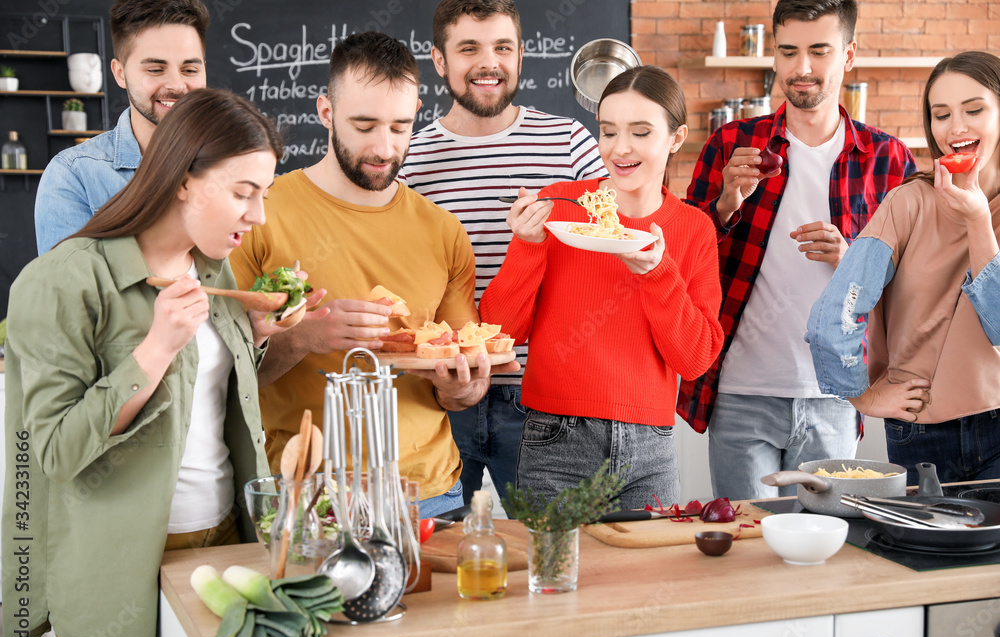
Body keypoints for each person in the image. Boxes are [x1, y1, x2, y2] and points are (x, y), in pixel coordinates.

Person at [2, 88, 306, 637]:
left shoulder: (215, 268)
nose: (259, 215)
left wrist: (257, 337)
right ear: (181, 179)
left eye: (263, 194)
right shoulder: (60, 282)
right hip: (114, 569)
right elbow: (56, 453)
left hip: (224, 543)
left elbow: (210, 403)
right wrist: (155, 350)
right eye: (244, 193)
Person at [230, 31, 517, 519]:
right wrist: (303, 337)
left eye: (400, 127)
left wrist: (463, 387)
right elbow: (226, 381)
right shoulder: (258, 214)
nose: (384, 148)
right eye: (363, 126)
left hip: (428, 497)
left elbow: (458, 376)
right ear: (326, 112)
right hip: (306, 497)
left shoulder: (443, 232)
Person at [678, 0, 917, 501]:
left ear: (848, 55)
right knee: (748, 551)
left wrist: (850, 259)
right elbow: (682, 261)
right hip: (741, 390)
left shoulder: (889, 159)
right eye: (788, 52)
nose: (801, 68)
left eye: (819, 51)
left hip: (835, 393)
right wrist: (724, 205)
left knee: (824, 548)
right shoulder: (730, 145)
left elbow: (914, 284)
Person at [479, 65, 723, 508]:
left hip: (649, 449)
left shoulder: (693, 229)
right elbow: (500, 332)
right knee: (554, 576)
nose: (620, 149)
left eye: (641, 132)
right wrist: (530, 246)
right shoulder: (558, 207)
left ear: (676, 137)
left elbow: (695, 360)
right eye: (608, 132)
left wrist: (656, 273)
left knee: (644, 578)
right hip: (554, 439)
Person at [399, 0, 606, 506]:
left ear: (520, 56)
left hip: (549, 399)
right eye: (469, 48)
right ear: (439, 60)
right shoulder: (407, 160)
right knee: (434, 556)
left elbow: (612, 249)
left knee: (557, 553)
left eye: (502, 48)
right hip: (439, 394)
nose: (488, 63)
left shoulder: (570, 143)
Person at [807, 51, 1000, 486]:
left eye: (974, 109)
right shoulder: (907, 203)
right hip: (922, 433)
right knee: (922, 554)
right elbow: (834, 314)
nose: (957, 127)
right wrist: (863, 396)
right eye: (941, 114)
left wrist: (977, 221)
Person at [34, 0, 210, 254]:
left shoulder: (235, 163)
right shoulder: (75, 175)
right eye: (155, 69)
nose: (177, 85)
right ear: (120, 73)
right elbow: (65, 291)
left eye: (190, 69)